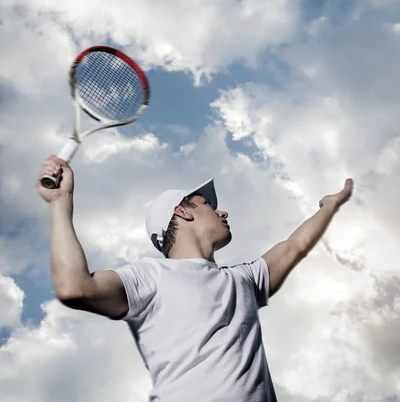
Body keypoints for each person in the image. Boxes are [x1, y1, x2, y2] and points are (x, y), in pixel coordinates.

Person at [37, 155, 353, 402]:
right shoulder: (151, 276)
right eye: (207, 205)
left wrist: (331, 205)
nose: (222, 212)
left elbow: (294, 246)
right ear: (183, 212)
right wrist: (60, 202)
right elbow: (75, 287)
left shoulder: (241, 279)